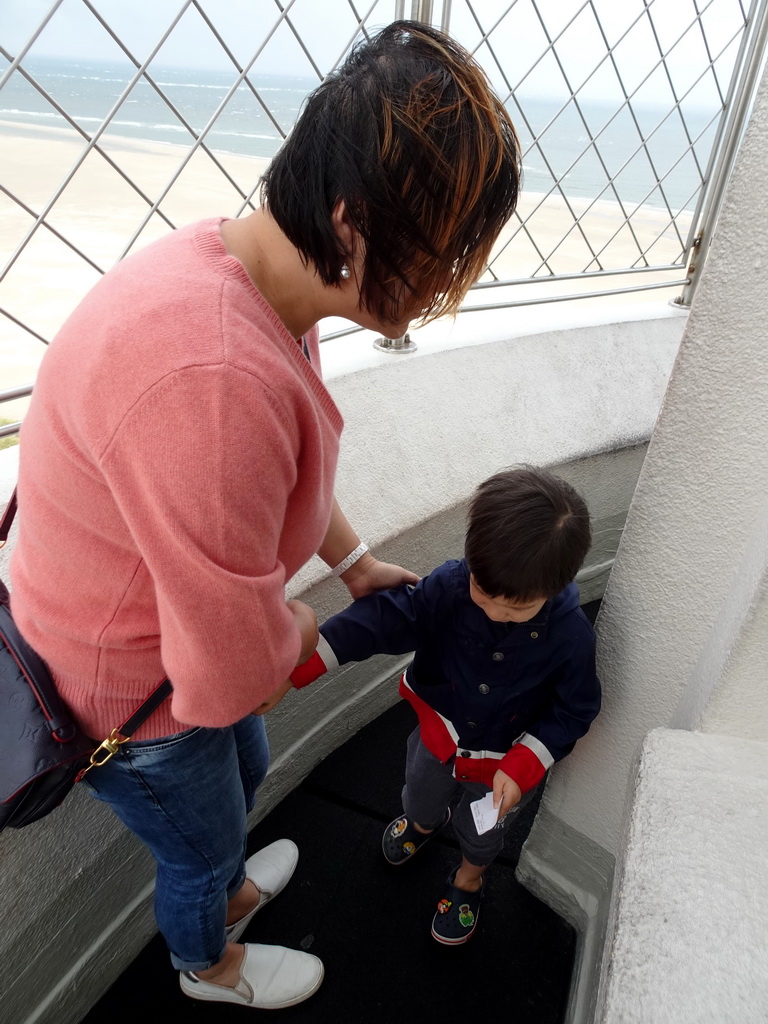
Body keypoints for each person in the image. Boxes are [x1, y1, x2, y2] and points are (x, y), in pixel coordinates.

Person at [9, 21, 521, 1012]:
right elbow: (233, 668)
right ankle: (209, 964)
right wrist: (296, 624)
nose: (444, 283)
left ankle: (235, 887)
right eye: (439, 252)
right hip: (130, 692)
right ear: (351, 221)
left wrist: (357, 561)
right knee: (196, 847)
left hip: (157, 640)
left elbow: (282, 480)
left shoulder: (246, 273)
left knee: (243, 766)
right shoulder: (215, 380)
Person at [276, 466, 601, 945]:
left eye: (514, 610)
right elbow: (386, 619)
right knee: (420, 791)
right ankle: (424, 823)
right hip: (439, 738)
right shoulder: (451, 586)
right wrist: (301, 666)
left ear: (553, 589)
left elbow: (575, 709)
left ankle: (469, 878)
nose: (493, 612)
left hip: (504, 765)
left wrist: (528, 760)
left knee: (484, 831)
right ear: (472, 559)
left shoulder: (571, 637)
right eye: (485, 595)